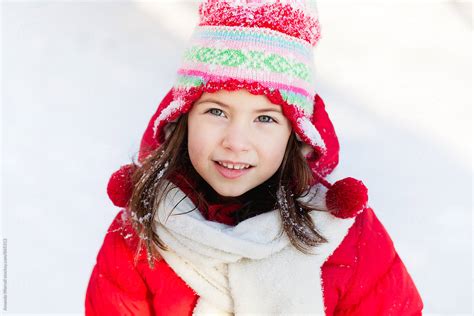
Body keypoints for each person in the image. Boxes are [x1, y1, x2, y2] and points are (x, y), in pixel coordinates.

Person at [85, 0, 423, 315]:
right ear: (183, 119)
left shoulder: (346, 235)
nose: (236, 141)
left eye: (265, 119)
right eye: (216, 111)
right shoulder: (143, 233)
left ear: (296, 135)